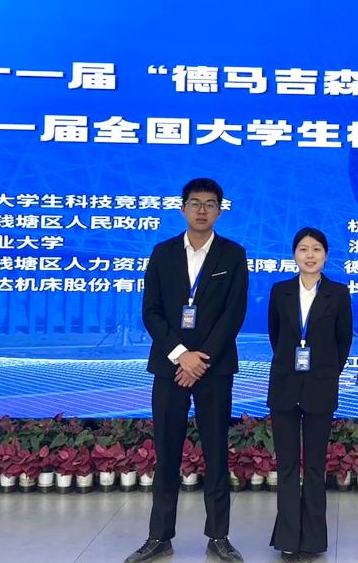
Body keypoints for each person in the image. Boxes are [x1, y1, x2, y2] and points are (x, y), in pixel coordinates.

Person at [126, 178, 248, 563]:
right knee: (167, 451)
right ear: (182, 208)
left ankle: (219, 536)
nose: (201, 210)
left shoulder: (233, 254)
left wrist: (201, 358)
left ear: (219, 211)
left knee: (216, 451)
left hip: (214, 368)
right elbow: (151, 312)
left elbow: (234, 314)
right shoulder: (162, 253)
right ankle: (159, 536)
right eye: (195, 203)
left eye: (210, 204)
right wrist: (181, 355)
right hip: (170, 368)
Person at [266, 227, 354, 562]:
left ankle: (314, 540)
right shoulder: (281, 291)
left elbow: (343, 341)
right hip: (285, 386)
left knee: (315, 467)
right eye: (303, 249)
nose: (310, 255)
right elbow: (276, 335)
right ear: (294, 255)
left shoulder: (338, 293)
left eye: (316, 249)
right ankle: (288, 538)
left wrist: (326, 372)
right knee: (287, 465)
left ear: (326, 255)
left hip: (320, 386)